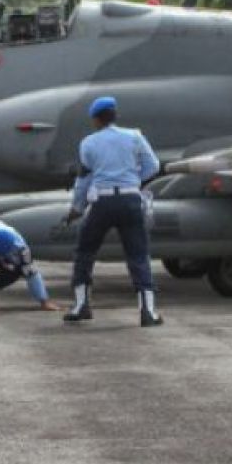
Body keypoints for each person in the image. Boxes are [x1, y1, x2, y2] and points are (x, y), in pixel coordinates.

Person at [64, 96, 163, 327]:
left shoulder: (88, 143)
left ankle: (81, 306)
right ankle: (148, 312)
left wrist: (76, 208)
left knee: (85, 251)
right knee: (138, 255)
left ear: (96, 119)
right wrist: (132, 182)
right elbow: (154, 166)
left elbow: (83, 179)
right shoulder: (135, 137)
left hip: (103, 202)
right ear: (114, 115)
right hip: (130, 200)